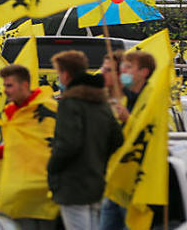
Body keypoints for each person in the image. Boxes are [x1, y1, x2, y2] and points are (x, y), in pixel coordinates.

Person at [47, 51, 123, 230]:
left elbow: (68, 143)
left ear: (65, 74)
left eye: (59, 73)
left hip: (73, 183)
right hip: (98, 180)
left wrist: (52, 167)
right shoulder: (101, 102)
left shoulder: (70, 103)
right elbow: (117, 138)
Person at [0, 64, 59, 229]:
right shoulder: (10, 112)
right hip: (17, 194)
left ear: (24, 85)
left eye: (9, 85)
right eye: (4, 86)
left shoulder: (47, 108)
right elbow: (18, 148)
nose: (5, 90)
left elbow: (53, 146)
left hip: (44, 191)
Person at [101, 51, 157, 230]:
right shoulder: (123, 98)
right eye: (123, 67)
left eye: (128, 67)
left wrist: (128, 119)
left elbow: (150, 133)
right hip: (116, 182)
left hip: (135, 183)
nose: (123, 72)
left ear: (144, 72)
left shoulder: (151, 99)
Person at [101, 50, 128, 121]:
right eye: (103, 69)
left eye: (108, 70)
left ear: (121, 73)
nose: (103, 73)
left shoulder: (132, 101)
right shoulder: (98, 98)